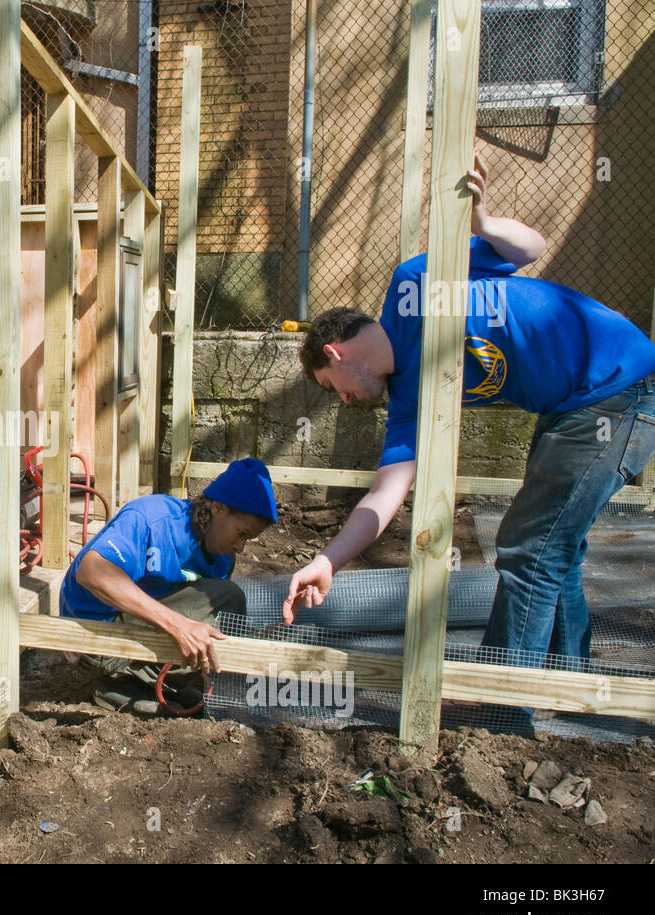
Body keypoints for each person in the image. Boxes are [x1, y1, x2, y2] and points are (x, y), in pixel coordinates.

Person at [284, 154, 655, 682]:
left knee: (528, 547)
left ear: (335, 352)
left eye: (330, 388)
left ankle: (503, 701)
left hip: (619, 386)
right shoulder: (410, 399)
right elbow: (383, 497)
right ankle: (573, 683)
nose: (342, 401)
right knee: (555, 548)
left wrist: (482, 224)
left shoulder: (412, 283)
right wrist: (327, 561)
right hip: (572, 408)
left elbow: (531, 248)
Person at [59, 456, 279, 712]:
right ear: (218, 508)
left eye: (248, 539)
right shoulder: (152, 519)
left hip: (135, 624)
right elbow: (91, 571)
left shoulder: (222, 557)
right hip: (94, 632)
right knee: (226, 598)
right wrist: (178, 625)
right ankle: (116, 684)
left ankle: (144, 685)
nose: (241, 547)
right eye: (241, 533)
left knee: (228, 603)